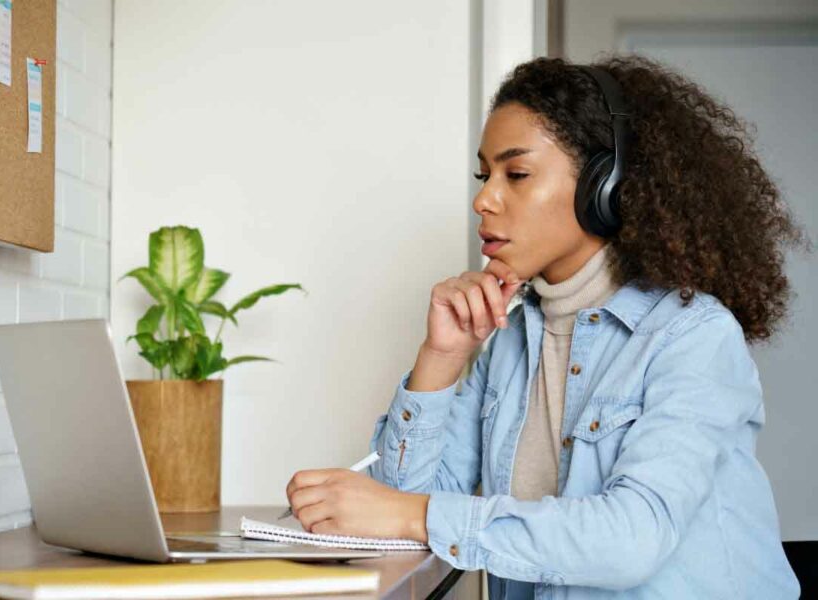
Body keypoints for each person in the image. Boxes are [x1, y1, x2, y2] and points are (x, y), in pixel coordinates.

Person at [284, 54, 807, 598]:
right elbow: (392, 521)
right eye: (485, 175)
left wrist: (414, 515)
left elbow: (632, 538)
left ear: (603, 186)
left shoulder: (693, 337)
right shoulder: (509, 339)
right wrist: (440, 358)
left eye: (517, 174)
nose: (482, 199)